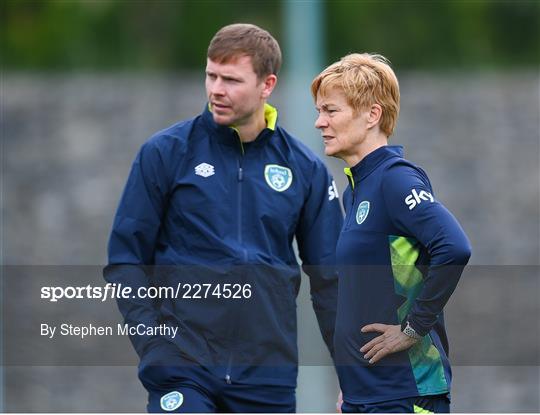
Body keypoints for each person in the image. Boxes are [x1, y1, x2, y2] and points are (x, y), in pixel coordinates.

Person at [104, 23, 343, 413]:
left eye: (231, 80)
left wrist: (356, 376)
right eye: (211, 75)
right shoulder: (165, 153)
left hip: (267, 379)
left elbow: (332, 280)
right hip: (183, 370)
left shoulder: (305, 170)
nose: (216, 89)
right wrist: (154, 343)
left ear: (267, 85)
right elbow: (126, 260)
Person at [311, 53, 471, 413]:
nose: (319, 122)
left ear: (372, 114)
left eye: (331, 111)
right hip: (363, 396)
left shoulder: (395, 179)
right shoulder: (355, 190)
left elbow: (455, 247)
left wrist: (412, 329)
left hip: (405, 393)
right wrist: (350, 386)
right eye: (320, 111)